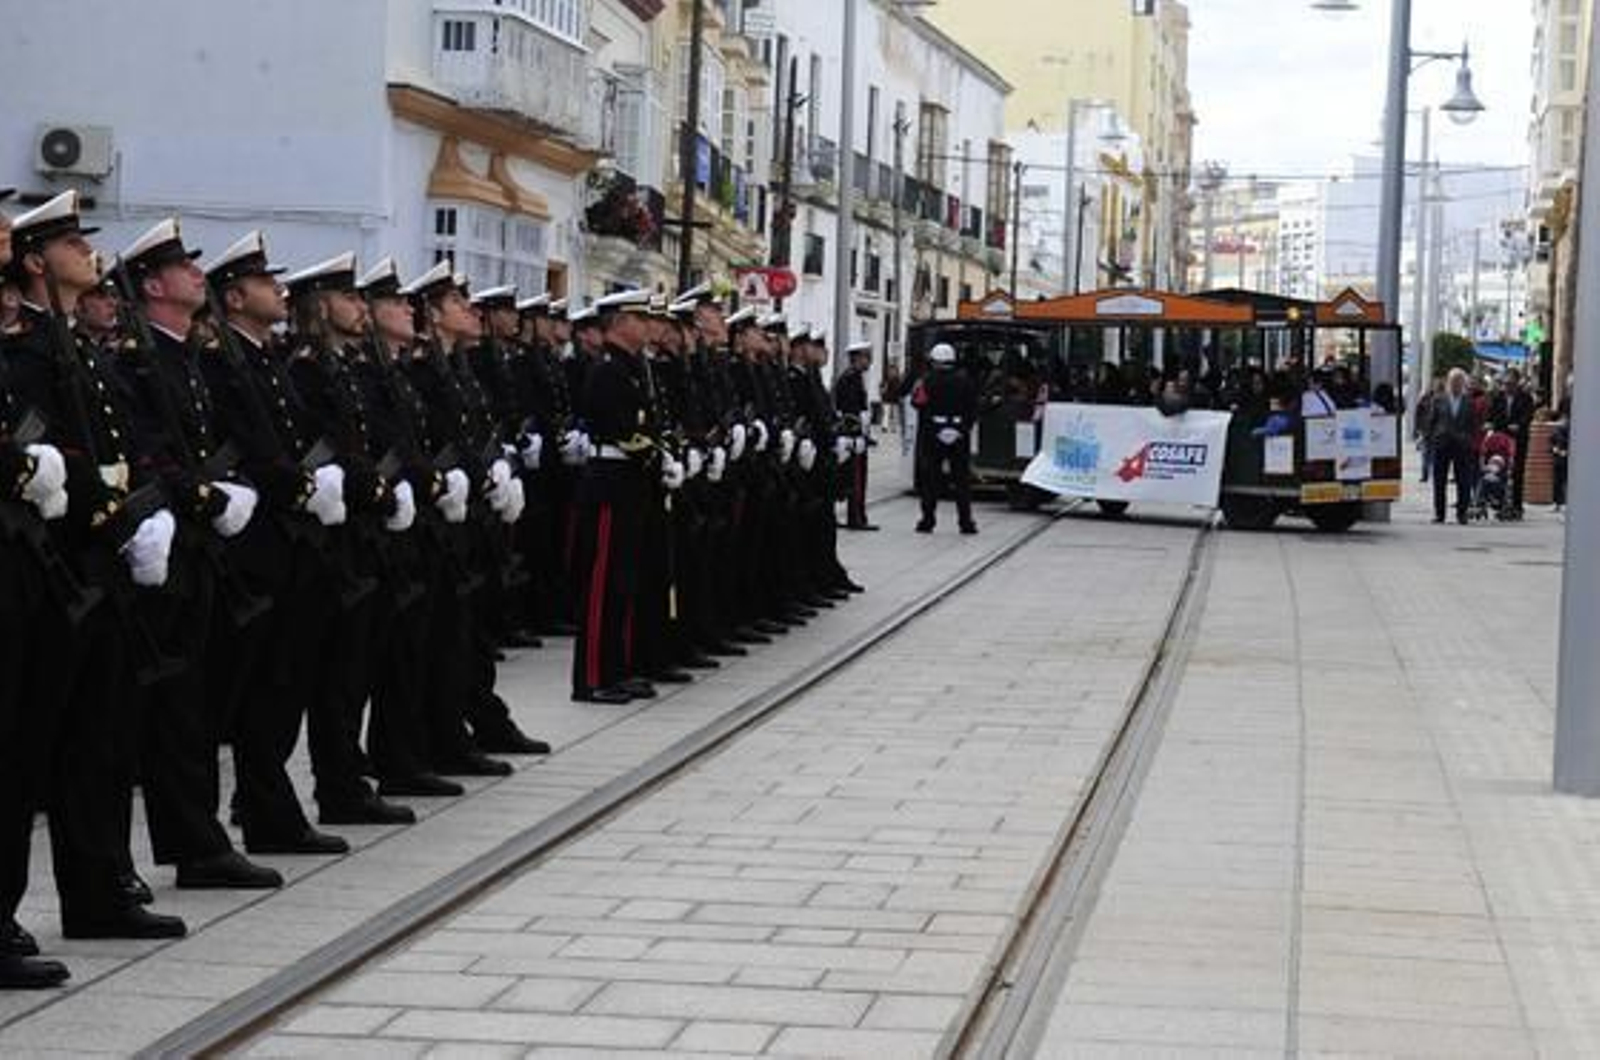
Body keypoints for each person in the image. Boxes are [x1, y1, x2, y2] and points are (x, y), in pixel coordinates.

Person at [913, 342, 977, 534]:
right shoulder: (965, 381)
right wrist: (961, 429)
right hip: (959, 434)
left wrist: (935, 430)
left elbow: (918, 405)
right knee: (961, 481)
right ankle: (965, 522)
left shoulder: (925, 380)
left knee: (931, 480)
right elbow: (973, 409)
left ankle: (928, 520)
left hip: (933, 434)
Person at [1425, 367, 1479, 525]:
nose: (1456, 384)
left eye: (1459, 381)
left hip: (1462, 445)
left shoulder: (1469, 402)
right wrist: (1430, 438)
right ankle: (1439, 513)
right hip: (1442, 443)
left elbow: (1473, 424)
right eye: (1453, 381)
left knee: (1464, 481)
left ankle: (1462, 513)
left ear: (1463, 383)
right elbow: (1431, 421)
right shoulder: (1439, 399)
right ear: (1448, 382)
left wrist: (1469, 440)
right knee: (1439, 481)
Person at [834, 340, 876, 531]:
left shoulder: (856, 377)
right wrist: (857, 433)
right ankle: (855, 517)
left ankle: (859, 515)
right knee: (855, 478)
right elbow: (850, 410)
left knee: (859, 477)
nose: (869, 361)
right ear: (857, 358)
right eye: (866, 357)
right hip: (852, 435)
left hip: (858, 433)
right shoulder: (849, 379)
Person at [1488, 367, 1535, 514]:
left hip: (1518, 439)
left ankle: (1516, 504)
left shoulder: (1526, 397)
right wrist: (1490, 424)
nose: (1508, 386)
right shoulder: (1498, 397)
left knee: (1517, 472)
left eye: (1511, 383)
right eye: (1506, 383)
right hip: (1501, 439)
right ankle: (1499, 501)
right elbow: (1492, 415)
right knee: (1499, 469)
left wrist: (1519, 425)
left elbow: (1528, 415)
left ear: (1517, 383)